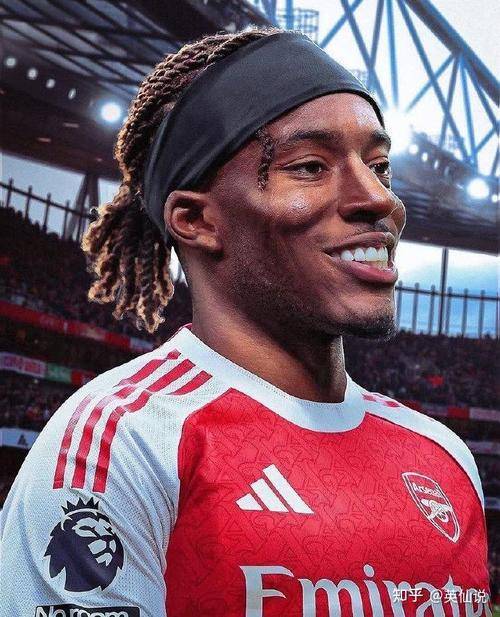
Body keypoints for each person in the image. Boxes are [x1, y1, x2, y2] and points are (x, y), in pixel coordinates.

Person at [1, 27, 491, 617]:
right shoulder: (121, 447)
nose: (380, 199)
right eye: (310, 167)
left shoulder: (445, 457)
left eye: (380, 167)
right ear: (197, 220)